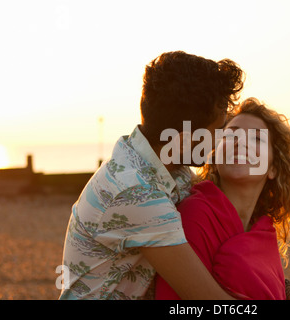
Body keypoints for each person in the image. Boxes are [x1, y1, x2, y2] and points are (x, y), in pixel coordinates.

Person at [59, 51, 244, 299]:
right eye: (217, 130)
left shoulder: (168, 169)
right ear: (183, 139)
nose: (221, 139)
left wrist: (285, 286)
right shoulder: (136, 191)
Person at [155, 98, 290, 300]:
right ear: (215, 157)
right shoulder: (195, 215)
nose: (241, 143)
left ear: (273, 168)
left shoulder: (262, 228)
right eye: (231, 136)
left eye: (257, 139)